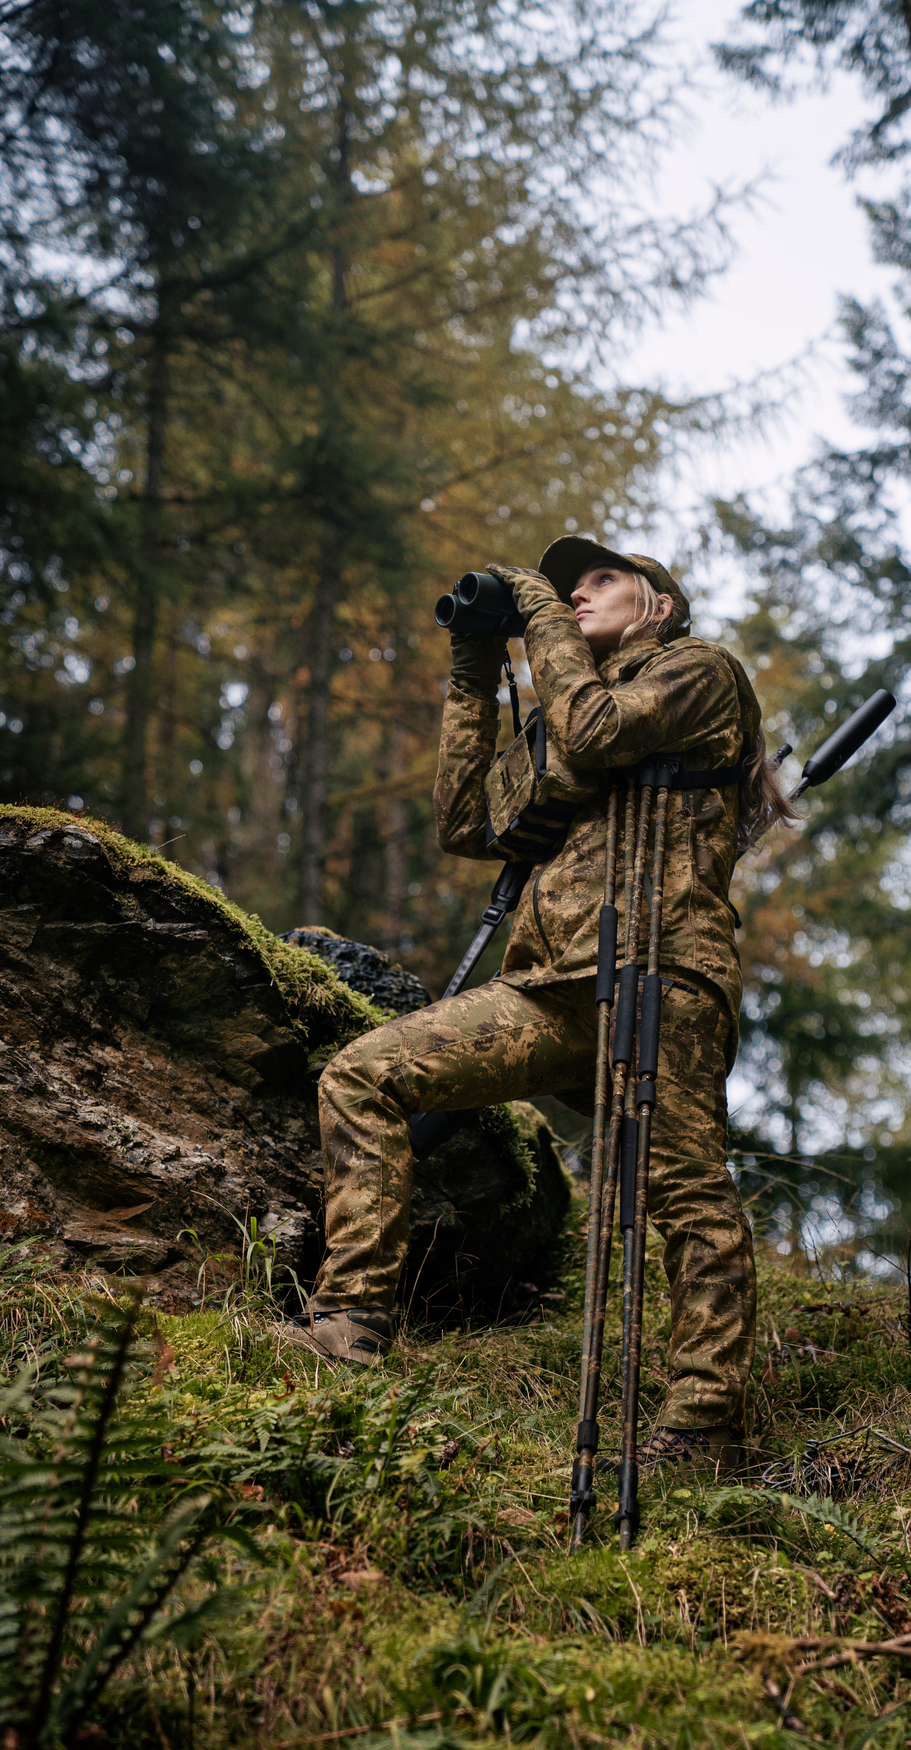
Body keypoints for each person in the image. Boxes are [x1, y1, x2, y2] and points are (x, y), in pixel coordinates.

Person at [286, 535, 795, 1474]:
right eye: (566, 588)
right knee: (362, 1074)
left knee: (682, 1191)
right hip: (551, 990)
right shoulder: (561, 718)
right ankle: (351, 1320)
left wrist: (542, 617)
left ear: (662, 604)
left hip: (663, 975)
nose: (577, 594)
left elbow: (603, 729)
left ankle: (704, 1424)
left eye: (603, 579)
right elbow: (464, 821)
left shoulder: (697, 673)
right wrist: (473, 675)